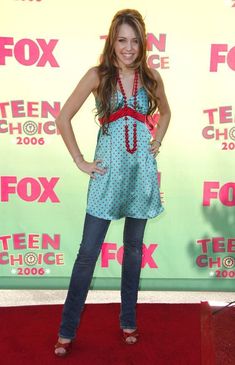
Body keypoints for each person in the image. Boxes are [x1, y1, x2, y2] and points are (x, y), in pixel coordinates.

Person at [54, 8, 171, 356]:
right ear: (112, 41)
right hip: (106, 177)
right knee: (87, 255)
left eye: (135, 41)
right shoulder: (98, 76)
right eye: (122, 40)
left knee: (133, 251)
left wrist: (158, 140)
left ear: (142, 44)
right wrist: (80, 161)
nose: (128, 47)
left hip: (139, 175)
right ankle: (66, 330)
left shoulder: (151, 77)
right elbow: (63, 118)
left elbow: (166, 112)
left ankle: (129, 320)